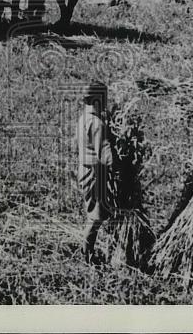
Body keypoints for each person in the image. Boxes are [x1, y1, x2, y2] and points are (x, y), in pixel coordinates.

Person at [77, 79, 113, 264]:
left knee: (93, 212)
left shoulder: (85, 118)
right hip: (95, 173)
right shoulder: (97, 124)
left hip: (84, 170)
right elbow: (106, 155)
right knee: (96, 216)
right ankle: (87, 256)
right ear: (97, 100)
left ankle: (88, 253)